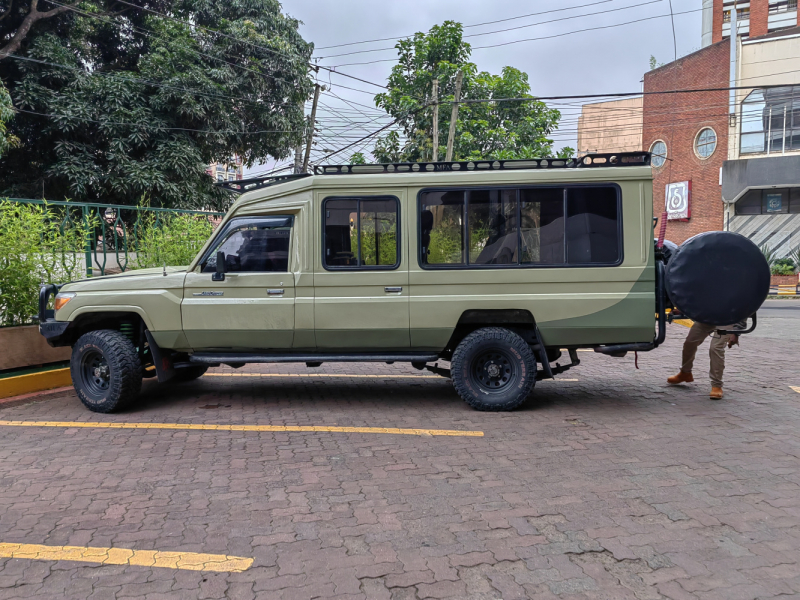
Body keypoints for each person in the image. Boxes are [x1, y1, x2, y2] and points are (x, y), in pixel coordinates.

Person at [667, 322, 741, 399]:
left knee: (715, 348)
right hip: (706, 317)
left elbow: (745, 310)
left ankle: (717, 385)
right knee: (690, 342)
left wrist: (736, 331)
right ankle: (685, 373)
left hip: (728, 319)